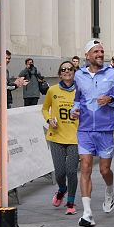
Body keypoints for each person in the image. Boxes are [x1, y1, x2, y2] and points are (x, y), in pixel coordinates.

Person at [71, 39, 114, 227]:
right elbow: (78, 100)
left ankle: (109, 190)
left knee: (104, 170)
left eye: (102, 52)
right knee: (85, 166)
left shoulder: (113, 74)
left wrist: (111, 99)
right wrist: (74, 110)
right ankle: (87, 213)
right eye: (96, 52)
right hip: (85, 129)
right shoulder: (79, 76)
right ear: (87, 55)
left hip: (106, 129)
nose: (100, 55)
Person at [42, 61, 80, 215]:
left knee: (71, 171)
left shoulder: (80, 90)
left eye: (70, 69)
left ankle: (70, 202)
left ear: (74, 72)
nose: (67, 71)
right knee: (59, 172)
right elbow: (45, 109)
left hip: (75, 138)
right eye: (63, 69)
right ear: (59, 73)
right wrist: (49, 119)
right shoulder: (52, 90)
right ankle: (62, 189)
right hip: (56, 136)